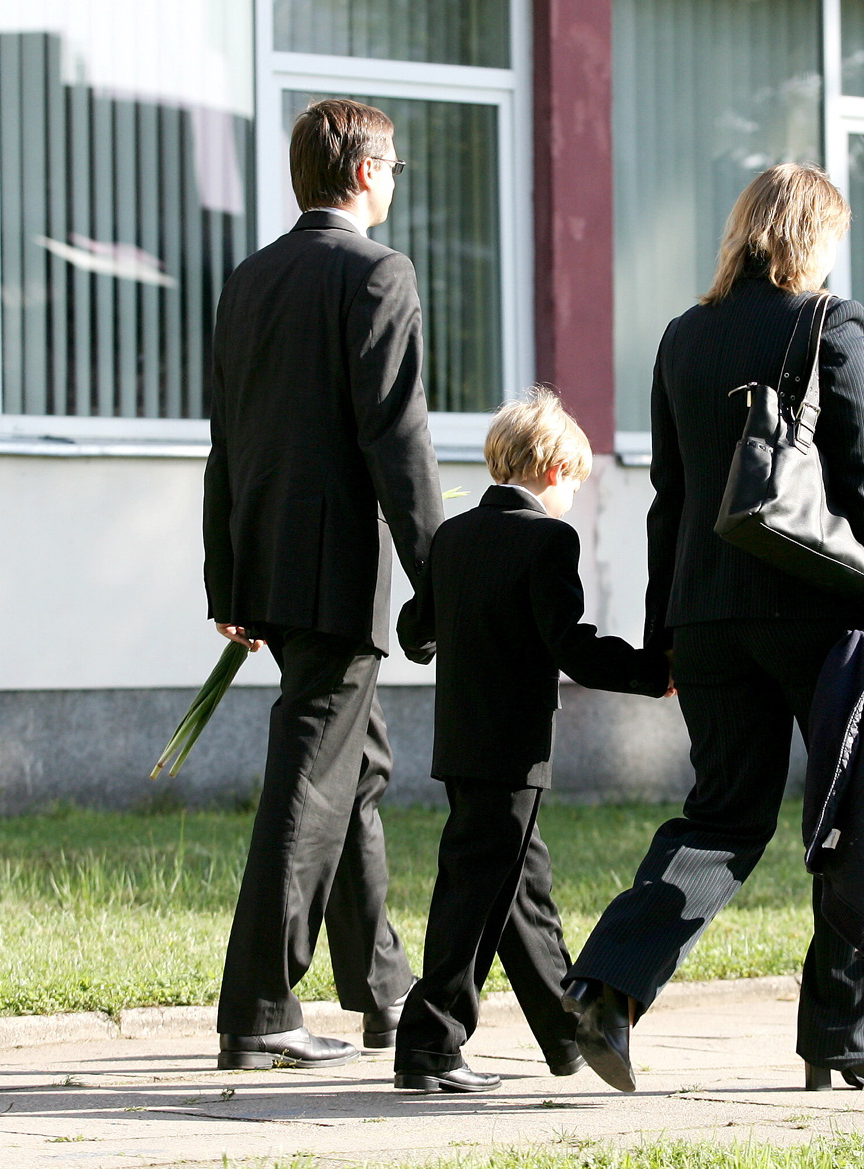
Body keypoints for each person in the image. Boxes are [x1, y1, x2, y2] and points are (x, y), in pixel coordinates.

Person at [564, 163, 864, 1093]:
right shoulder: (829, 322)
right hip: (823, 616)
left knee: (723, 814)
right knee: (862, 814)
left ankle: (607, 985)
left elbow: (669, 499)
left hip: (708, 615)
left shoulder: (683, 337)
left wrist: (664, 636)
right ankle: (848, 1040)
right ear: (812, 237)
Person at [202, 98, 442, 1070]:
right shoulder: (378, 271)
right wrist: (443, 576)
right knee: (312, 775)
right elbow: (398, 437)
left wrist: (227, 578)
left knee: (357, 768)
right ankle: (258, 1003)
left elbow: (226, 441)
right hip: (335, 568)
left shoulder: (250, 278)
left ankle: (385, 989)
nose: (397, 179)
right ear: (368, 171)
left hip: (264, 561)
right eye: (395, 165)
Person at [390, 389, 672, 1093]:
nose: (574, 493)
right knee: (473, 892)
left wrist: (446, 626)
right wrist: (653, 672)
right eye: (575, 479)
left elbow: (412, 630)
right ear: (551, 468)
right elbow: (570, 646)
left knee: (521, 888)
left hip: (461, 741)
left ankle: (567, 1030)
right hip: (514, 745)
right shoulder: (548, 539)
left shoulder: (452, 536)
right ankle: (430, 1040)